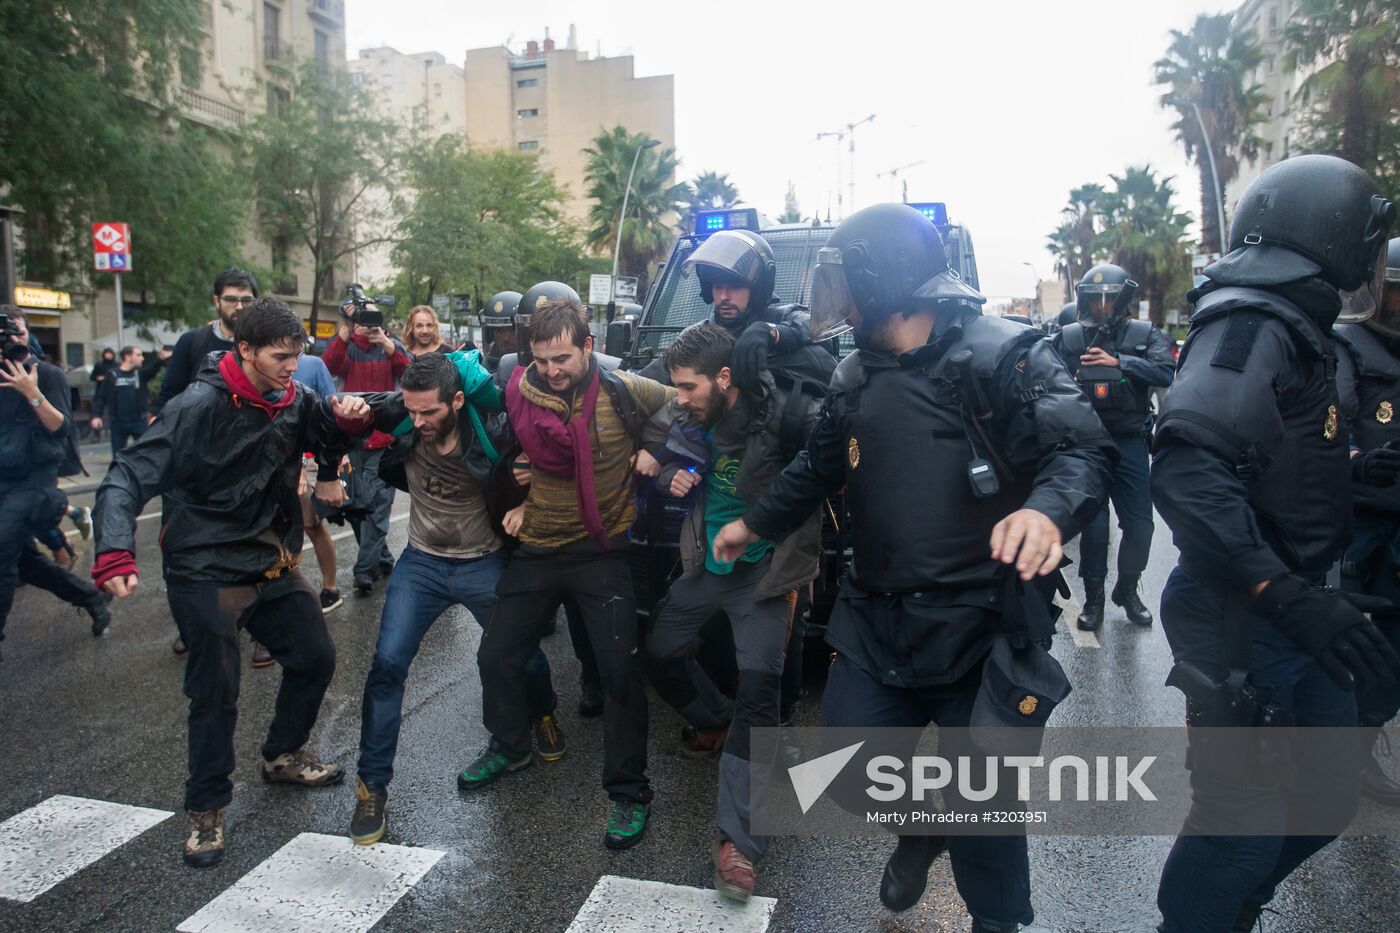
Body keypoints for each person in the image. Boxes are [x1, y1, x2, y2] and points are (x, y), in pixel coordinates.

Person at [712, 203, 1113, 931]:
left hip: (983, 624)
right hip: (878, 618)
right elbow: (817, 465)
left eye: (846, 285)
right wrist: (753, 523)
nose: (836, 305)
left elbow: (1080, 451)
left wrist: (1047, 511)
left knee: (988, 810)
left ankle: (995, 918)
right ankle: (925, 824)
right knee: (852, 769)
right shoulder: (854, 374)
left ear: (886, 280)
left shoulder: (1005, 356)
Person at [1150, 155, 1400, 932]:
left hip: (1299, 609)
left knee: (1325, 800)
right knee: (1238, 832)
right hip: (1246, 618)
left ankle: (1228, 908)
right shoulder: (1253, 322)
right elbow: (1189, 468)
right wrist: (1281, 591)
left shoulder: (1298, 324)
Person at [91, 298, 376, 868]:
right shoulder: (196, 406)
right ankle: (206, 808)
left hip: (268, 559)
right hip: (204, 565)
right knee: (215, 689)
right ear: (243, 349)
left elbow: (335, 427)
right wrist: (114, 550)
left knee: (316, 657)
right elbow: (125, 476)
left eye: (298, 357)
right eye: (279, 357)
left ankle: (282, 754)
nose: (291, 368)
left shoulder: (294, 398)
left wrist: (350, 418)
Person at [462, 299, 674, 852]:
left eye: (562, 358)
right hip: (536, 549)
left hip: (601, 554)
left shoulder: (627, 390)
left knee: (620, 675)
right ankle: (510, 745)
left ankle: (628, 792)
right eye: (541, 359)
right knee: (496, 657)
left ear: (587, 347)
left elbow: (690, 406)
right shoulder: (519, 387)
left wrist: (658, 449)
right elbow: (476, 410)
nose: (551, 371)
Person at [347, 352, 562, 844]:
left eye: (430, 413)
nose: (418, 422)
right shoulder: (404, 417)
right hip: (420, 564)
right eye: (412, 412)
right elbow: (340, 416)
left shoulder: (495, 429)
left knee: (521, 655)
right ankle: (372, 786)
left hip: (482, 561)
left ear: (458, 401)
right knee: (387, 665)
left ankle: (544, 710)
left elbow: (553, 455)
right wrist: (329, 452)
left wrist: (529, 502)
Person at [645, 322, 822, 900]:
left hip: (764, 575)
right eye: (675, 386)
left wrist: (777, 331)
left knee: (760, 687)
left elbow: (822, 469)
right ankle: (719, 719)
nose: (680, 397)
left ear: (726, 378)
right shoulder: (687, 418)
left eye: (689, 386)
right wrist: (669, 474)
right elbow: (660, 452)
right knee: (662, 651)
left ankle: (739, 842)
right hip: (703, 568)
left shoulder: (783, 419)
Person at [1052, 263, 1175, 630]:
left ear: (1121, 300)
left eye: (1110, 298)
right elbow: (1046, 377)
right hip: (1087, 444)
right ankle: (1094, 599)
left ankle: (1127, 589)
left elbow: (1165, 372)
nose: (1103, 306)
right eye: (1096, 298)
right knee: (1095, 527)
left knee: (1140, 527)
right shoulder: (1070, 337)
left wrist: (1120, 363)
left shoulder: (1144, 332)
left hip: (1129, 441)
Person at [0, 306, 111, 654]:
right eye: (4, 334)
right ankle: (91, 597)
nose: (11, 340)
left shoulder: (46, 374)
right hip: (3, 481)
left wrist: (30, 391)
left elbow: (61, 429)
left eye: (16, 332)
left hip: (34, 483)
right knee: (25, 563)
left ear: (27, 334)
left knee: (2, 555)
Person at [1335, 235, 1400, 807]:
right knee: (1346, 640)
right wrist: (1360, 461)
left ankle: (1355, 749)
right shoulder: (1346, 344)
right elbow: (1324, 429)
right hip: (1361, 521)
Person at [637, 229, 817, 392]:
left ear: (757, 289)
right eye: (717, 286)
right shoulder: (697, 337)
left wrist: (771, 332)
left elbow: (816, 325)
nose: (723, 296)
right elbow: (642, 386)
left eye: (735, 287)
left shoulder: (780, 318)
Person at [324, 297, 412, 596]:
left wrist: (387, 344)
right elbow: (329, 367)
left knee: (377, 507)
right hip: (352, 439)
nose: (368, 322)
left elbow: (410, 373)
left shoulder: (390, 345)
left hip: (384, 438)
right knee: (356, 508)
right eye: (363, 317)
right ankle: (383, 558)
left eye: (373, 316)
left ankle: (363, 569)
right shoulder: (345, 345)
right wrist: (347, 330)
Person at [154, 268, 258, 414]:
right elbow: (170, 395)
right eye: (231, 299)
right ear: (217, 301)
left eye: (247, 300)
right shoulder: (192, 341)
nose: (239, 306)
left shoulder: (262, 345)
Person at [294, 350, 344, 615]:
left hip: (309, 459)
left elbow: (331, 412)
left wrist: (333, 462)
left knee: (312, 524)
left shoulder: (312, 365)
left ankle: (330, 587)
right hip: (272, 461)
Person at [90, 346, 153, 461]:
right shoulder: (113, 374)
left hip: (139, 420)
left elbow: (153, 369)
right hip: (118, 422)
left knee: (145, 454)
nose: (142, 358)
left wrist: (161, 359)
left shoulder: (139, 374)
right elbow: (101, 397)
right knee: (118, 457)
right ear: (128, 357)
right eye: (138, 355)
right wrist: (96, 416)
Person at [479, 291, 522, 372]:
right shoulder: (481, 371)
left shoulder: (537, 368)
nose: (506, 338)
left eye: (512, 330)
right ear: (490, 335)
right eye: (499, 330)